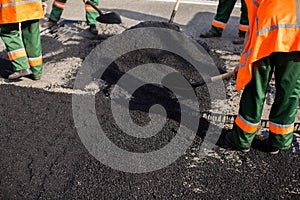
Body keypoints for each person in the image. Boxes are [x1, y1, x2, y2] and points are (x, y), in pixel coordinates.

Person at [225, 0, 300, 154]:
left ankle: (242, 139)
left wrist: (244, 61)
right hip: (297, 37)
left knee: (256, 86)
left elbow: (252, 21)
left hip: (267, 29)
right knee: (289, 90)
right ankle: (278, 142)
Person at [0, 0, 44, 80]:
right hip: (33, 4)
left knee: (8, 32)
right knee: (32, 34)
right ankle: (36, 71)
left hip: (10, 7)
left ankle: (21, 66)